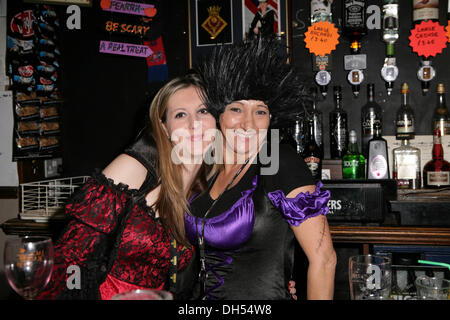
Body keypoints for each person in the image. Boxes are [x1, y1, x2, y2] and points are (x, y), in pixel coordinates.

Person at [37, 73, 217, 300]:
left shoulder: (209, 188)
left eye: (203, 111)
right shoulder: (134, 169)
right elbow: (69, 258)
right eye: (181, 114)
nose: (195, 124)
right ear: (164, 128)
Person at [183, 38, 337, 300]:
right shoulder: (204, 167)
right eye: (236, 109)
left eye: (260, 111)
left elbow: (324, 259)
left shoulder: (278, 158)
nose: (248, 123)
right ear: (218, 114)